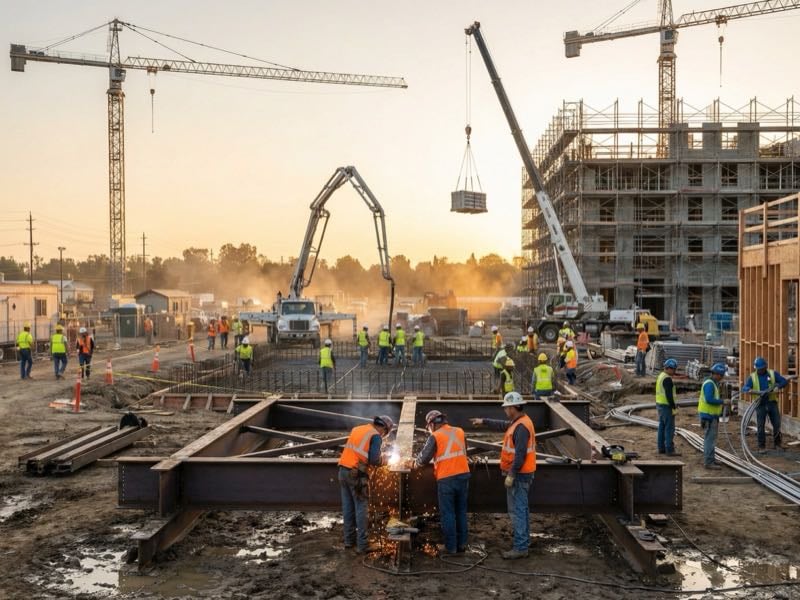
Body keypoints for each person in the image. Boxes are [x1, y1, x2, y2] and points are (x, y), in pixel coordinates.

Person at [470, 391, 536, 559]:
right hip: (523, 474)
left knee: (517, 510)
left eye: (507, 408)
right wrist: (484, 421)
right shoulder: (519, 422)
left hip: (519, 475)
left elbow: (520, 454)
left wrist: (511, 475)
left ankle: (520, 547)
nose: (505, 410)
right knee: (523, 509)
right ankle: (524, 542)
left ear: (515, 407)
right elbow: (503, 425)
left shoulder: (521, 427)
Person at [414, 410, 470, 556]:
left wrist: (415, 463)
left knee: (448, 514)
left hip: (447, 478)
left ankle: (450, 548)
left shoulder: (435, 436)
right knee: (461, 512)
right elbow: (464, 450)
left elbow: (423, 459)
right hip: (464, 475)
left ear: (432, 424)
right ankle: (462, 545)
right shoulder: (459, 431)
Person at [337, 415, 394, 554]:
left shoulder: (358, 429)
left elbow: (359, 451)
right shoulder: (376, 436)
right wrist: (385, 460)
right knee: (361, 507)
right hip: (356, 475)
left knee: (348, 507)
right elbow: (374, 460)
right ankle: (363, 545)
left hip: (343, 471)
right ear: (384, 429)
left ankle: (349, 541)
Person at [741, 356, 788, 451]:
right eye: (758, 369)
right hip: (760, 404)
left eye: (762, 369)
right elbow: (744, 388)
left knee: (777, 424)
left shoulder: (772, 374)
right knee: (760, 425)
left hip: (772, 403)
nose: (760, 371)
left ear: (765, 367)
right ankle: (761, 446)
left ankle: (777, 443)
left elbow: (784, 381)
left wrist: (778, 386)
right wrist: (752, 391)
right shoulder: (752, 377)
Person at [698, 362, 729, 469]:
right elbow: (709, 399)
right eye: (721, 375)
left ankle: (711, 459)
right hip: (708, 416)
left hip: (711, 416)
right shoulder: (710, 384)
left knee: (711, 439)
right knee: (709, 440)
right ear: (716, 374)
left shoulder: (712, 383)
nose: (721, 378)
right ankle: (709, 462)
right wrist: (722, 401)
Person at [656, 358, 681, 456]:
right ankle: (669, 450)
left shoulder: (661, 376)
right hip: (666, 406)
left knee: (662, 427)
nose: (675, 371)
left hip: (660, 405)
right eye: (674, 369)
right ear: (669, 368)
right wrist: (673, 406)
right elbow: (669, 395)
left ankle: (661, 448)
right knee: (669, 429)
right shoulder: (667, 379)